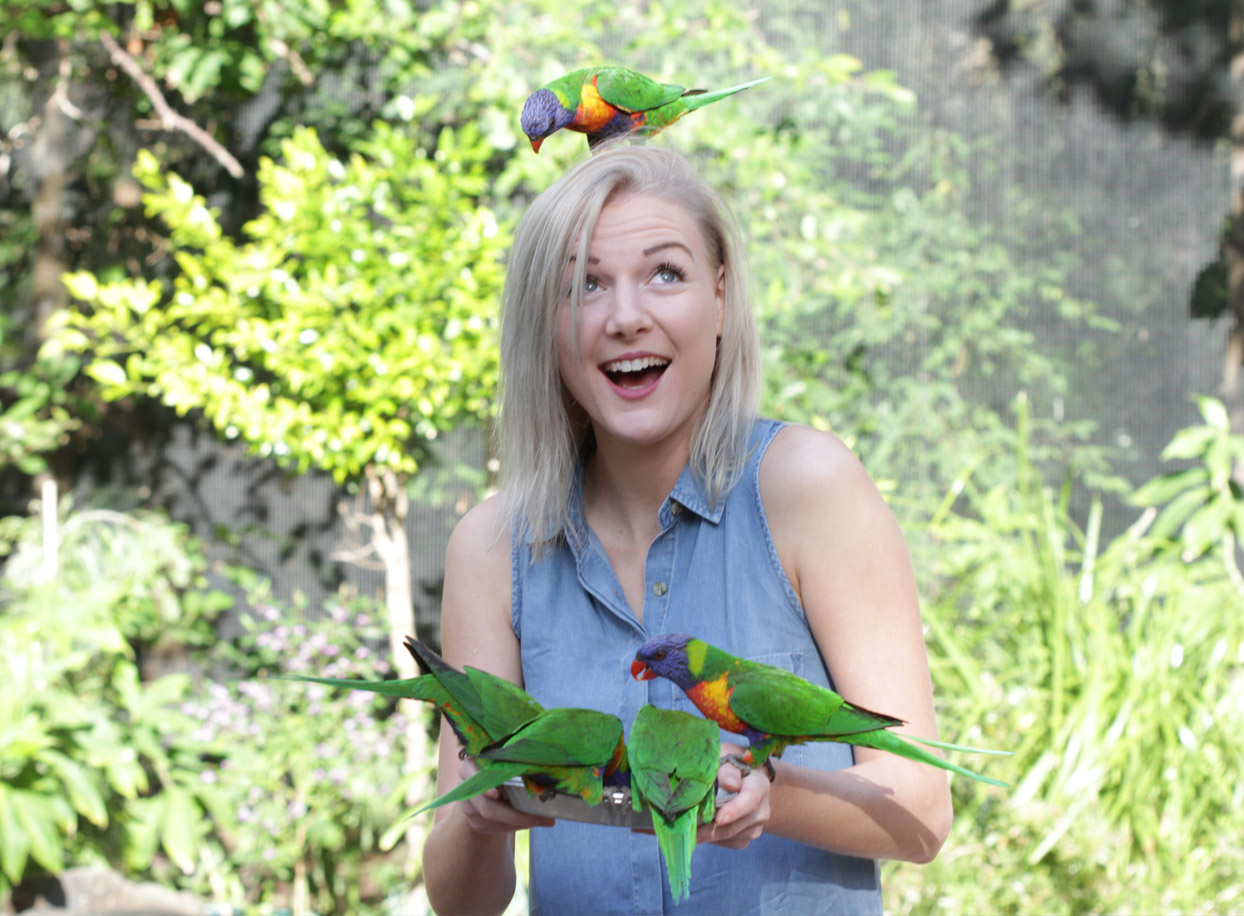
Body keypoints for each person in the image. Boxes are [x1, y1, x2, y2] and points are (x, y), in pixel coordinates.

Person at [421, 144, 953, 915]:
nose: (624, 316)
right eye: (583, 285)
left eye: (664, 273)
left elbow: (923, 814)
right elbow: (458, 901)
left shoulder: (810, 489)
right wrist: (479, 816)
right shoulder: (492, 546)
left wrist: (772, 796)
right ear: (547, 325)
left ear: (721, 298)